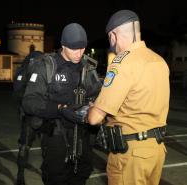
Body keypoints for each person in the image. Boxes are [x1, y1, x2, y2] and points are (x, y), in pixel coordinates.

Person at [88, 10, 170, 185]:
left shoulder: (122, 63)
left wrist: (92, 107)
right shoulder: (159, 61)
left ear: (113, 36)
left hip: (131, 156)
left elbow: (95, 118)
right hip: (156, 150)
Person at [22, 23, 102, 185]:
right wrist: (59, 109)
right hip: (56, 135)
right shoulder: (46, 65)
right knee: (56, 177)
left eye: (82, 48)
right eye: (74, 49)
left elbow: (97, 94)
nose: (79, 53)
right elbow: (29, 101)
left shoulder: (88, 68)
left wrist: (94, 105)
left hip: (83, 135)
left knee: (82, 174)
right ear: (63, 45)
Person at [13, 50, 43, 185]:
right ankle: (46, 172)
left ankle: (20, 175)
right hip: (41, 114)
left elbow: (17, 94)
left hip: (27, 115)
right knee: (48, 145)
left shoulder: (21, 70)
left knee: (24, 146)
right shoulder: (40, 69)